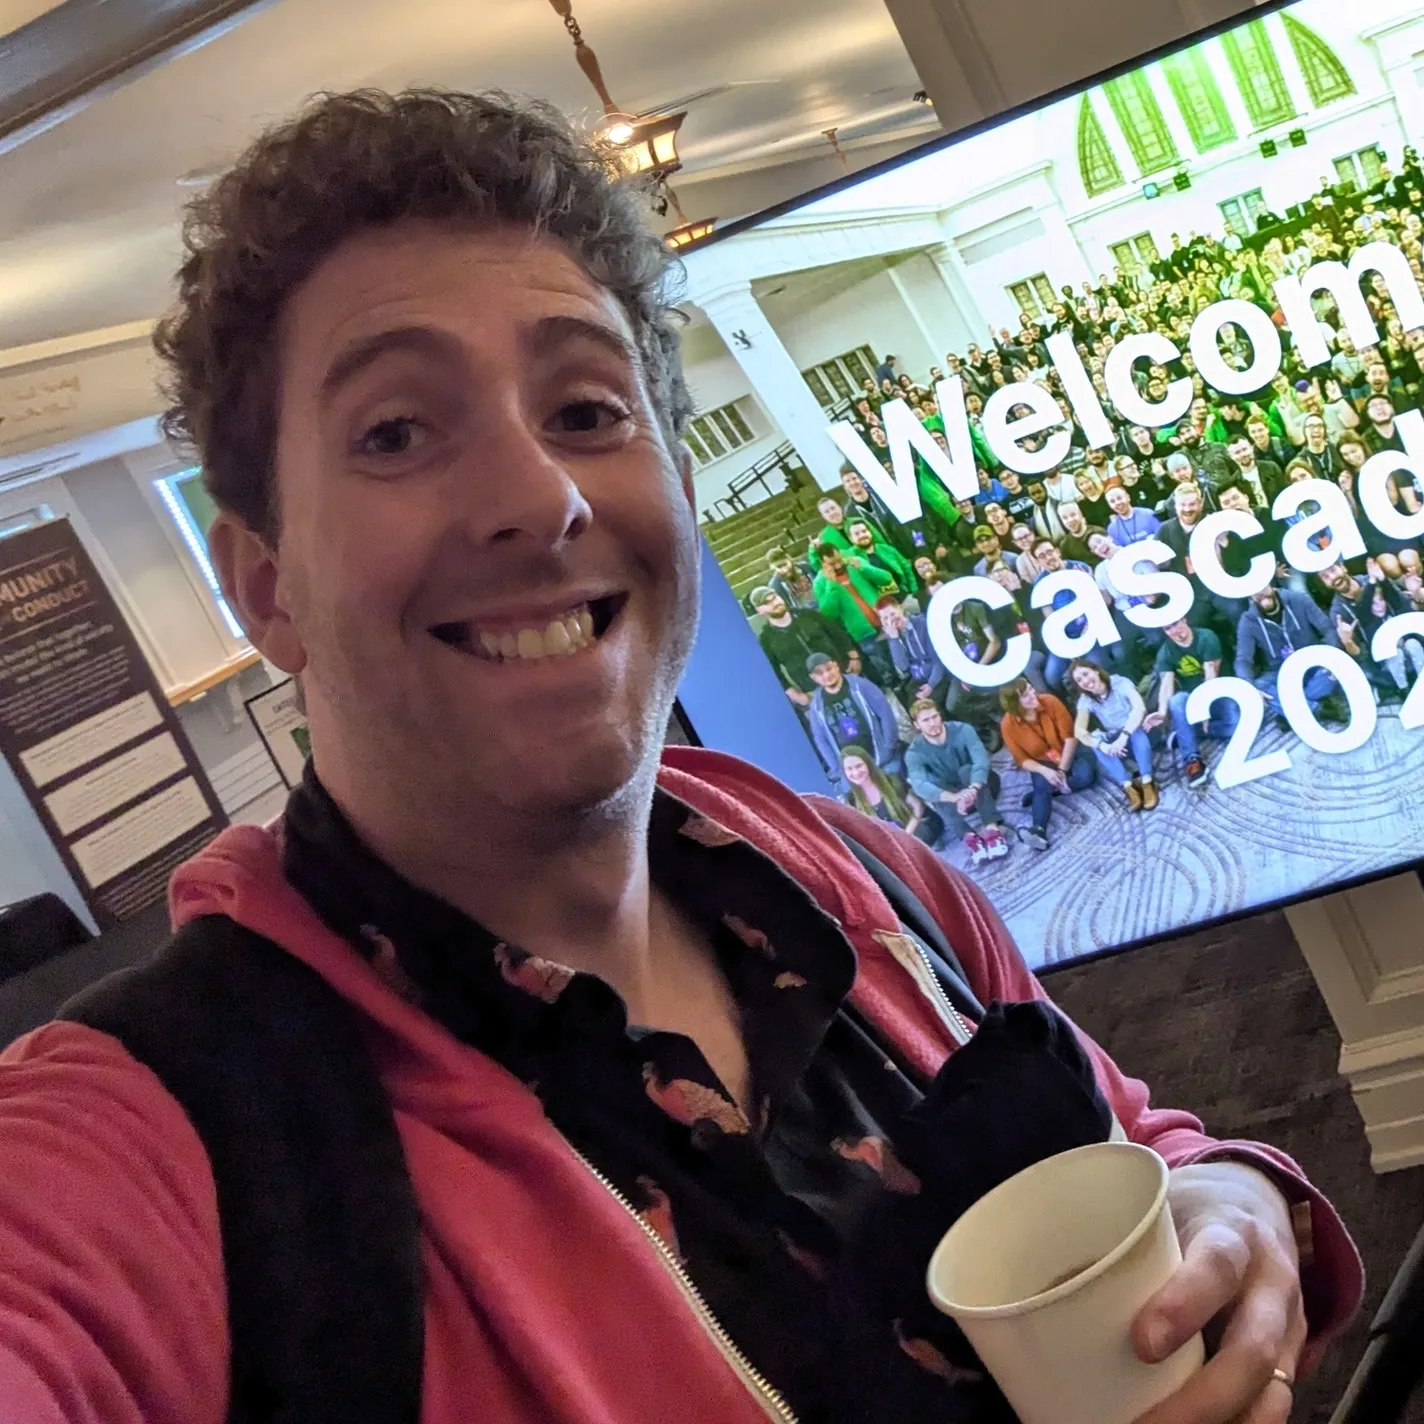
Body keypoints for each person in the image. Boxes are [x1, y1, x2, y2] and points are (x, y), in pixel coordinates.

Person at [0, 89, 1357, 1424]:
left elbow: (1131, 1138)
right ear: (265, 584)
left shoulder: (854, 876)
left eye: (588, 410)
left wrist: (1228, 1192)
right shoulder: (176, 1134)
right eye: (397, 431)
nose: (542, 497)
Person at [904, 700, 1009, 866]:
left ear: (940, 715)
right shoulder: (914, 752)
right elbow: (919, 784)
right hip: (956, 802)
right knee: (933, 791)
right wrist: (953, 797)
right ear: (917, 725)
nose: (932, 723)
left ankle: (992, 828)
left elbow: (981, 760)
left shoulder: (962, 730)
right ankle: (970, 837)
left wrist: (973, 787)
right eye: (926, 720)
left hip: (983, 786)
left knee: (967, 770)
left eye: (934, 717)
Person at [998, 679, 1097, 850]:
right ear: (1015, 704)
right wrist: (1045, 771)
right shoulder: (1008, 725)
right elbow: (1022, 759)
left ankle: (1045, 793)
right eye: (1026, 695)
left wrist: (1062, 770)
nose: (1033, 694)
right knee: (1043, 784)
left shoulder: (1050, 702)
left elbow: (1070, 738)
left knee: (1086, 777)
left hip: (1070, 750)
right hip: (1043, 761)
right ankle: (1038, 830)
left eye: (1031, 689)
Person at [1145, 618, 1238, 789]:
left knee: (1235, 725)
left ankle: (1185, 734)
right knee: (1177, 700)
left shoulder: (1206, 637)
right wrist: (1162, 711)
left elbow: (1211, 672)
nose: (1174, 631)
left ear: (1184, 619)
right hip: (1191, 698)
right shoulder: (1166, 652)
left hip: (1218, 692)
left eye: (1176, 624)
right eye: (1168, 628)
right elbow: (1166, 684)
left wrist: (1204, 709)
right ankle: (1192, 759)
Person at [1320, 561, 1424, 695]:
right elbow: (1360, 655)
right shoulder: (1338, 611)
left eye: (1333, 570)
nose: (1332, 577)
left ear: (1343, 567)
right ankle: (1402, 690)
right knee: (1393, 656)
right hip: (1384, 662)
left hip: (1410, 646)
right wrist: (1348, 642)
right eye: (1325, 577)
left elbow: (1405, 609)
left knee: (1413, 644)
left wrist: (1415, 594)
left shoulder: (1374, 579)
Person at [806, 652, 904, 793]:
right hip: (853, 773)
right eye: (820, 673)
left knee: (900, 794)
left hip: (882, 758)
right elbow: (820, 739)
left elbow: (885, 713)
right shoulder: (817, 705)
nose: (827, 675)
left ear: (836, 665)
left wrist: (888, 746)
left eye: (829, 669)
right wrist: (837, 768)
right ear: (813, 678)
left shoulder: (860, 685)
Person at [1233, 586, 1337, 719]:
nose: (1259, 592)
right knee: (1259, 687)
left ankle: (1288, 713)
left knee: (1332, 674)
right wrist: (1249, 685)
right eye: (1254, 590)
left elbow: (1327, 628)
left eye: (1262, 586)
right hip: (1280, 672)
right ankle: (1317, 710)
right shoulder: (1248, 620)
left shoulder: (1298, 599)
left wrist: (1335, 658)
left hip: (1313, 663)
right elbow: (1243, 660)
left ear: (1271, 584)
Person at [1069, 660, 1160, 810]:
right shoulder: (1085, 700)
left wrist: (1124, 736)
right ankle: (1128, 785)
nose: (1085, 681)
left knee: (1135, 728)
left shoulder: (1119, 682)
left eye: (1086, 674)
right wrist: (1103, 746)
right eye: (1079, 680)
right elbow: (1079, 731)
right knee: (1095, 741)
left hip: (1141, 732)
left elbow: (1139, 709)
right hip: (1117, 743)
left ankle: (1147, 781)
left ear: (1096, 671)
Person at [752, 586, 854, 712]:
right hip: (815, 692)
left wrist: (854, 658)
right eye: (767, 602)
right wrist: (795, 695)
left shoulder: (808, 614)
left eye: (775, 597)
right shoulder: (766, 639)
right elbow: (773, 673)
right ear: (759, 610)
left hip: (844, 675)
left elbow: (837, 634)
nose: (775, 602)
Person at [812, 543, 897, 685]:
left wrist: (863, 568)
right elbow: (828, 613)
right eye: (832, 564)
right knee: (887, 671)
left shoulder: (855, 562)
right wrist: (831, 585)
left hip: (886, 620)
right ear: (822, 563)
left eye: (839, 560)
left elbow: (886, 578)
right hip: (864, 634)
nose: (838, 566)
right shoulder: (820, 582)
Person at [839, 746, 937, 846]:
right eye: (849, 769)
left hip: (915, 830)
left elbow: (918, 807)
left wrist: (906, 835)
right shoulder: (851, 801)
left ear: (868, 764)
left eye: (859, 766)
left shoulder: (893, 780)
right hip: (892, 844)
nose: (855, 772)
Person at [877, 595, 948, 705]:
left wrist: (931, 685)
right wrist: (894, 639)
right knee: (912, 706)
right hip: (919, 676)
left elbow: (939, 660)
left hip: (938, 674)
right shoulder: (893, 636)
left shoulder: (922, 624)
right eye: (885, 618)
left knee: (928, 705)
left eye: (892, 614)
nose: (891, 620)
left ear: (900, 608)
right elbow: (903, 666)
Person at [766, 545, 817, 610]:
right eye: (779, 567)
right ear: (773, 568)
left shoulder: (805, 567)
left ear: (789, 559)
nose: (785, 570)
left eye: (785, 564)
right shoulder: (775, 585)